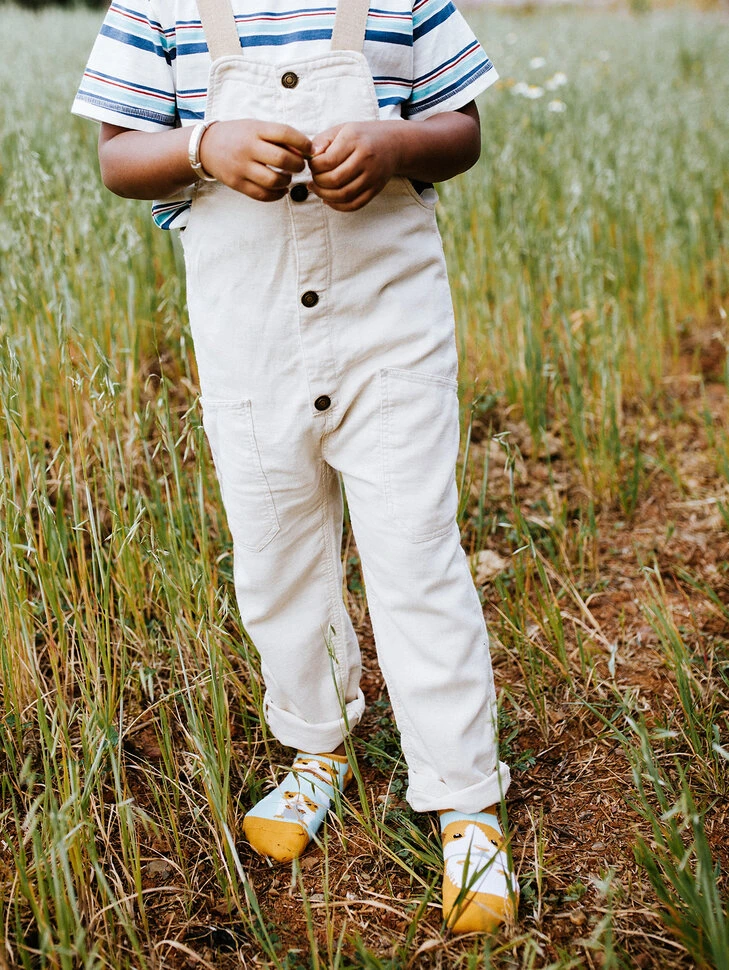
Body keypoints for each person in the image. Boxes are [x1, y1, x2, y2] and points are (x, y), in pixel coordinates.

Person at [72, 0, 519, 933]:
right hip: (251, 346)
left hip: (388, 337)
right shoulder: (156, 7)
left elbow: (462, 130)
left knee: (416, 555)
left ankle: (465, 793)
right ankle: (319, 747)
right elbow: (118, 158)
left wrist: (395, 146)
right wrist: (204, 145)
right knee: (279, 557)